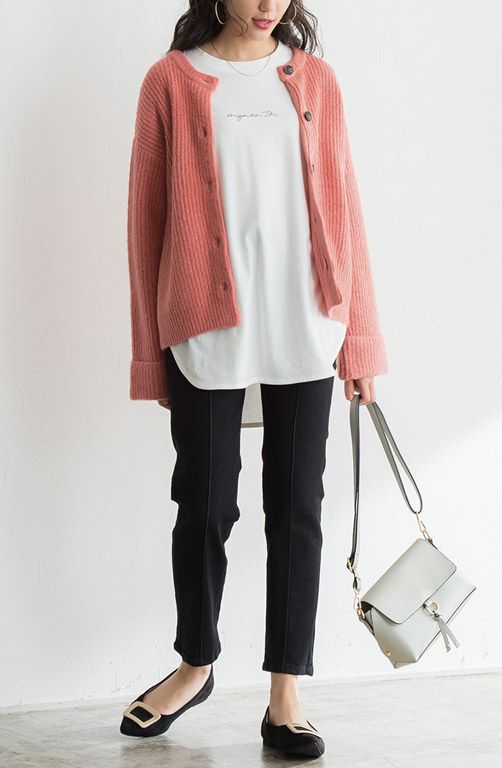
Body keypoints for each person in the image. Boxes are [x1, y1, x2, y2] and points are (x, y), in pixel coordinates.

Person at [120, 0, 388, 757]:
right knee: (204, 504)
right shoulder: (170, 82)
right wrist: (148, 354)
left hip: (306, 320)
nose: (268, 5)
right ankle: (195, 665)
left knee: (297, 508)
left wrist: (362, 341)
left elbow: (346, 209)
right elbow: (144, 225)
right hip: (205, 325)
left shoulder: (316, 81)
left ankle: (285, 693)